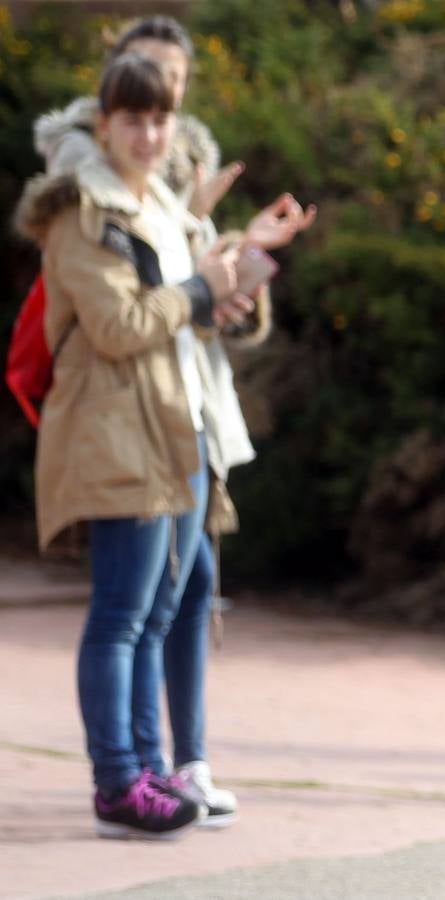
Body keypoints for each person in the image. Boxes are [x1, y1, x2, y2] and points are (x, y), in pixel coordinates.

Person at [33, 15, 316, 829]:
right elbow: (121, 325)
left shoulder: (159, 197)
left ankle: (155, 768)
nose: (153, 132)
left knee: (161, 607)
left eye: (163, 117)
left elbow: (194, 308)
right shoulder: (81, 211)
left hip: (182, 421)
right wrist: (199, 287)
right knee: (123, 610)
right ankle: (118, 782)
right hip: (121, 426)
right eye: (136, 118)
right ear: (104, 122)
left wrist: (236, 258)